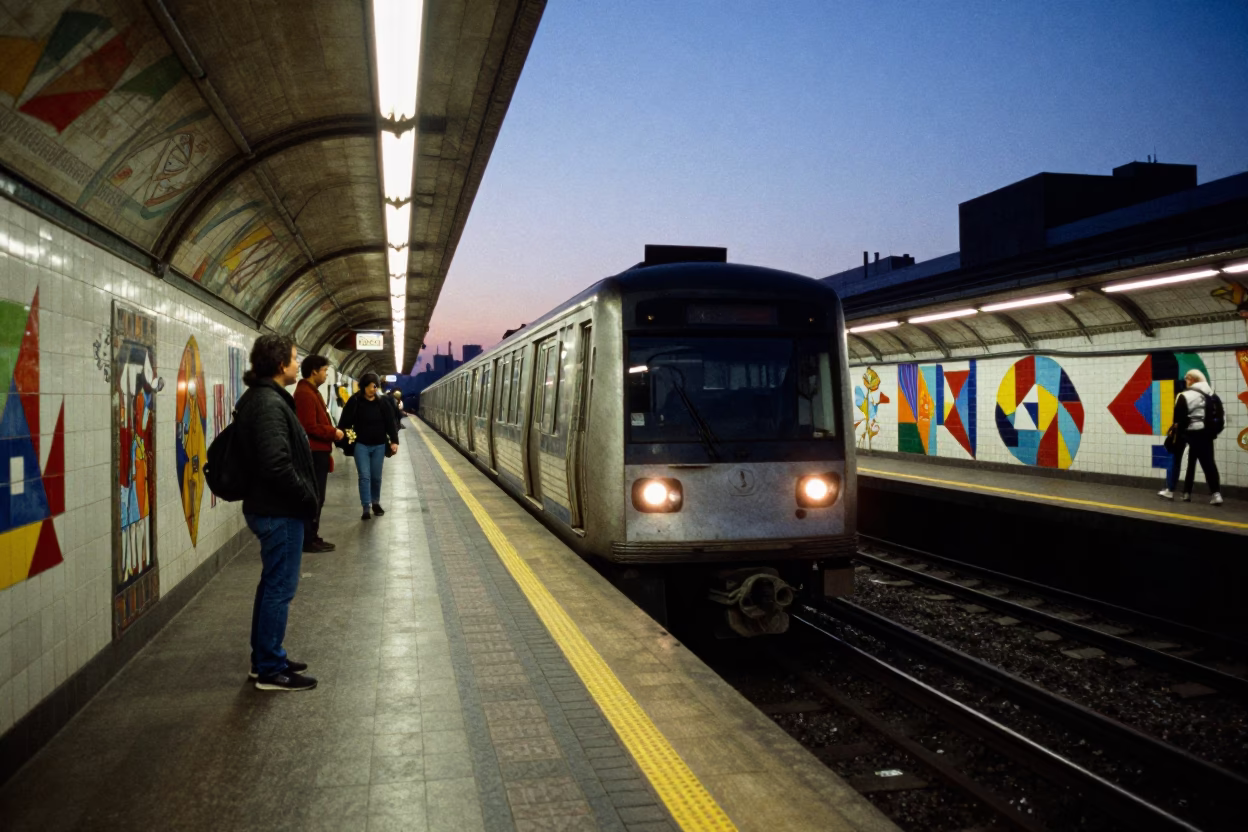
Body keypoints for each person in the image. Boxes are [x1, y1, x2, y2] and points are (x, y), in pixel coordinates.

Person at [234, 334, 320, 691]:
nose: (298, 365)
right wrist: (306, 499)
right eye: (295, 359)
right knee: (279, 589)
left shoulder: (264, 398)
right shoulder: (269, 403)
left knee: (272, 585)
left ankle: (266, 658)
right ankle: (270, 668)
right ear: (281, 364)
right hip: (278, 510)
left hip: (271, 507)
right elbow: (276, 463)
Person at [294, 355, 344, 553]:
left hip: (319, 452)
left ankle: (312, 535)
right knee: (314, 497)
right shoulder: (305, 394)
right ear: (314, 371)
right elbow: (309, 426)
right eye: (324, 370)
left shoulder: (312, 392)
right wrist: (334, 432)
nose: (325, 374)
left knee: (317, 496)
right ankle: (308, 539)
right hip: (314, 453)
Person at [338, 372, 400, 520]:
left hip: (379, 445)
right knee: (364, 476)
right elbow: (344, 422)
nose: (374, 389)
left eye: (376, 386)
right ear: (364, 386)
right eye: (372, 386)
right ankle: (366, 507)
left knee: (376, 477)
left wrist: (394, 441)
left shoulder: (382, 402)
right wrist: (346, 438)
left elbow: (390, 423)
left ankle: (375, 502)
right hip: (361, 445)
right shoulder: (355, 401)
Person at [1159, 369, 1222, 505]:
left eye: (1187, 378)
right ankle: (1216, 494)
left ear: (1193, 380)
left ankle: (1170, 490)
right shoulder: (1213, 396)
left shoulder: (1185, 395)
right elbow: (1220, 418)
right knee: (1208, 464)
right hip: (1204, 434)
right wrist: (1212, 433)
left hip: (1185, 432)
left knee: (1176, 459)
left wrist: (1178, 433)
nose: (1186, 381)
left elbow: (1177, 418)